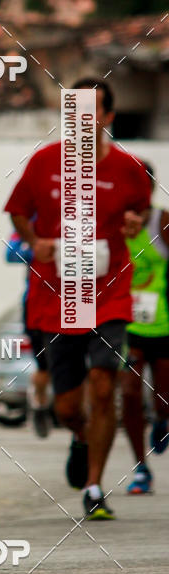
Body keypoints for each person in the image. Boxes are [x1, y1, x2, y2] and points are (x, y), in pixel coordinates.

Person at [4, 78, 150, 520]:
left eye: (91, 113)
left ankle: (93, 486)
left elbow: (140, 210)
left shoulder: (128, 168)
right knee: (69, 407)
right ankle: (80, 436)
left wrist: (132, 222)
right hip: (57, 296)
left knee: (104, 385)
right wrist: (36, 241)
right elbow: (16, 209)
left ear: (107, 117)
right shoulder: (45, 163)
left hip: (108, 293)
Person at [122, 162, 169, 494]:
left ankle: (164, 421)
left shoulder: (162, 222)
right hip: (125, 327)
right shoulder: (111, 222)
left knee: (162, 399)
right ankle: (141, 467)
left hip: (163, 326)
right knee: (128, 395)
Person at [6, 231, 51, 437]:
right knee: (44, 364)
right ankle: (40, 405)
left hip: (73, 302)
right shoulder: (29, 223)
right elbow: (10, 253)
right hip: (37, 305)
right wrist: (36, 246)